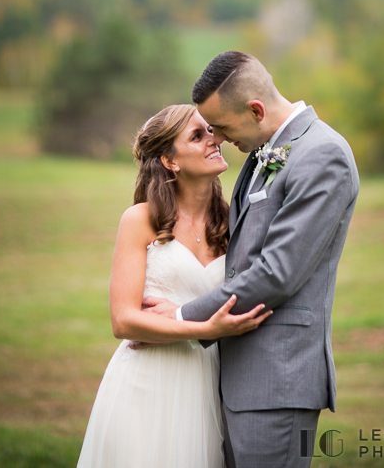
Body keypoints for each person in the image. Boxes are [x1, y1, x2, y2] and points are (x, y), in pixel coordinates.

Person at [143, 52, 360, 468]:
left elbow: (277, 273)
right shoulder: (266, 152)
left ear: (256, 110)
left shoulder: (322, 154)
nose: (219, 139)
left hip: (278, 380)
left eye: (221, 127)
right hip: (239, 377)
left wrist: (182, 317)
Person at [76, 104, 271, 468]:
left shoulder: (233, 222)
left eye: (210, 131)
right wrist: (205, 328)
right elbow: (123, 322)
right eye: (197, 136)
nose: (214, 140)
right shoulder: (140, 220)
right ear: (170, 161)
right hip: (148, 380)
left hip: (207, 381)